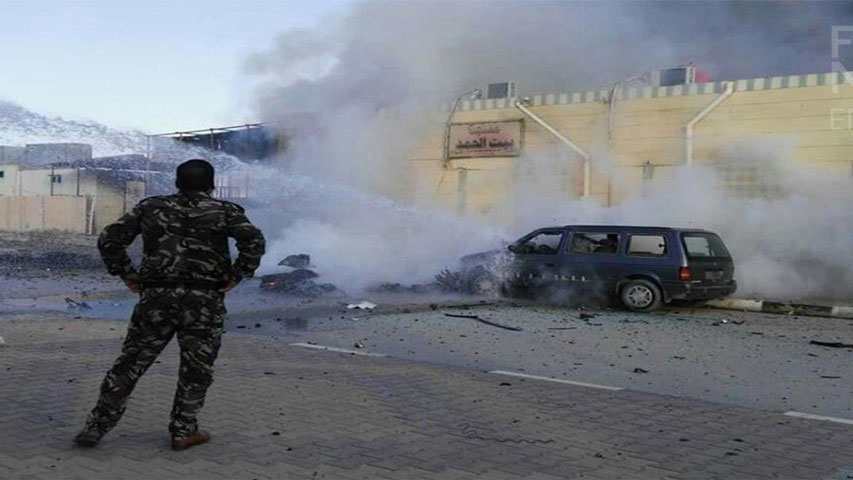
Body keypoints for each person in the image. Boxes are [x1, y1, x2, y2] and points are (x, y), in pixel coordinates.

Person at [74, 159, 265, 450]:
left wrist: (128, 275)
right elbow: (254, 242)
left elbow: (110, 239)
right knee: (196, 368)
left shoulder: (151, 207)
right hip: (204, 302)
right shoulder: (224, 211)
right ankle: (183, 431)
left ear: (176, 183)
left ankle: (96, 427)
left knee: (130, 364)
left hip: (156, 298)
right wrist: (238, 275)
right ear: (211, 185)